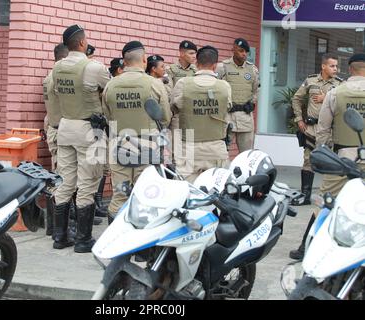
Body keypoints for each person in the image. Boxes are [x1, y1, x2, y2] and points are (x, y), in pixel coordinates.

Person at [289, 53, 365, 261]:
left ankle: (307, 246)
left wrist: (326, 154)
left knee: (324, 203)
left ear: (350, 70)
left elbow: (322, 130)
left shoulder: (335, 93)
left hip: (342, 158)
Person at [52, 25, 111, 253]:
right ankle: (83, 240)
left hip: (66, 127)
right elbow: (111, 89)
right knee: (88, 183)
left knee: (65, 182)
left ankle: (60, 236)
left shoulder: (57, 68)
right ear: (83, 43)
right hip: (89, 129)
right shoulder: (93, 67)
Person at [102, 41, 171, 224]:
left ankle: (117, 247)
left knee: (120, 195)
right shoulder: (154, 84)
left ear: (124, 62)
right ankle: (144, 251)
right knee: (147, 195)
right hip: (148, 146)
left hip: (120, 144)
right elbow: (165, 117)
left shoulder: (111, 85)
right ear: (144, 59)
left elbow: (108, 115)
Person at [171, 45, 231, 182]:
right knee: (217, 193)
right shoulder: (224, 86)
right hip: (216, 147)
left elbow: (173, 108)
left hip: (188, 147)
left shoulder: (183, 84)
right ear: (215, 66)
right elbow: (227, 108)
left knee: (185, 193)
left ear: (197, 63)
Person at [291, 53, 343, 207]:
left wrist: (325, 97)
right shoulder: (311, 80)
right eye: (332, 66)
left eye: (336, 66)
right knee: (308, 161)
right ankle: (305, 195)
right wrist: (299, 119)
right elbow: (296, 99)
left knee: (332, 163)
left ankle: (331, 196)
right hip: (311, 129)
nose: (335, 69)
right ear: (323, 66)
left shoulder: (340, 84)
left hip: (331, 131)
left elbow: (343, 102)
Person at [215, 38, 259, 154]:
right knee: (222, 152)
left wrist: (253, 102)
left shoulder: (252, 69)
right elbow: (214, 88)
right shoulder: (222, 67)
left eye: (246, 51)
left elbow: (256, 90)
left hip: (245, 117)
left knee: (247, 154)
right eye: (240, 51)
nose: (244, 54)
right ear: (233, 50)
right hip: (227, 116)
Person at [42, 43, 69, 236]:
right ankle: (55, 227)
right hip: (58, 128)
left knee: (60, 176)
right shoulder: (57, 78)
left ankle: (56, 225)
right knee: (61, 178)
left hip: (55, 126)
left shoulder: (50, 76)